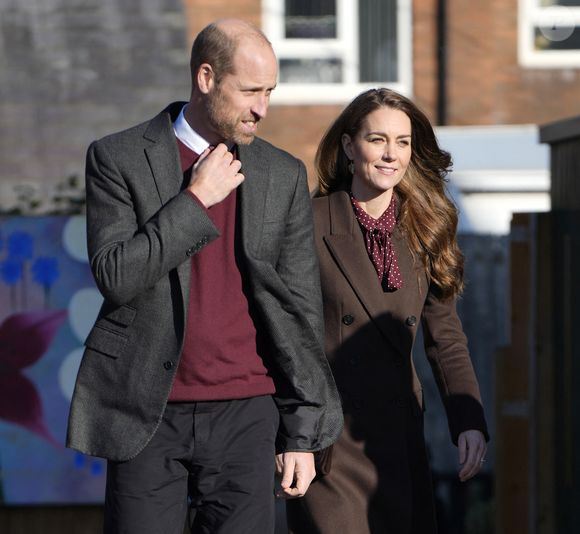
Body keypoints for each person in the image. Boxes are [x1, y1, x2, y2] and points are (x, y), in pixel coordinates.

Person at [66, 19, 342, 534]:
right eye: (251, 90)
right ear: (207, 78)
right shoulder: (117, 157)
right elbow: (116, 276)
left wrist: (302, 432)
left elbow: (300, 310)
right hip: (146, 413)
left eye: (270, 92)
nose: (262, 107)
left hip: (247, 416)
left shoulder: (282, 174)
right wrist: (195, 200)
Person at [286, 88, 489, 534]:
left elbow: (445, 337)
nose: (390, 154)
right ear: (347, 145)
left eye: (402, 142)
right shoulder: (307, 220)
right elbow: (281, 331)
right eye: (377, 139)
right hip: (329, 439)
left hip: (396, 437)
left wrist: (468, 420)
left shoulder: (427, 226)